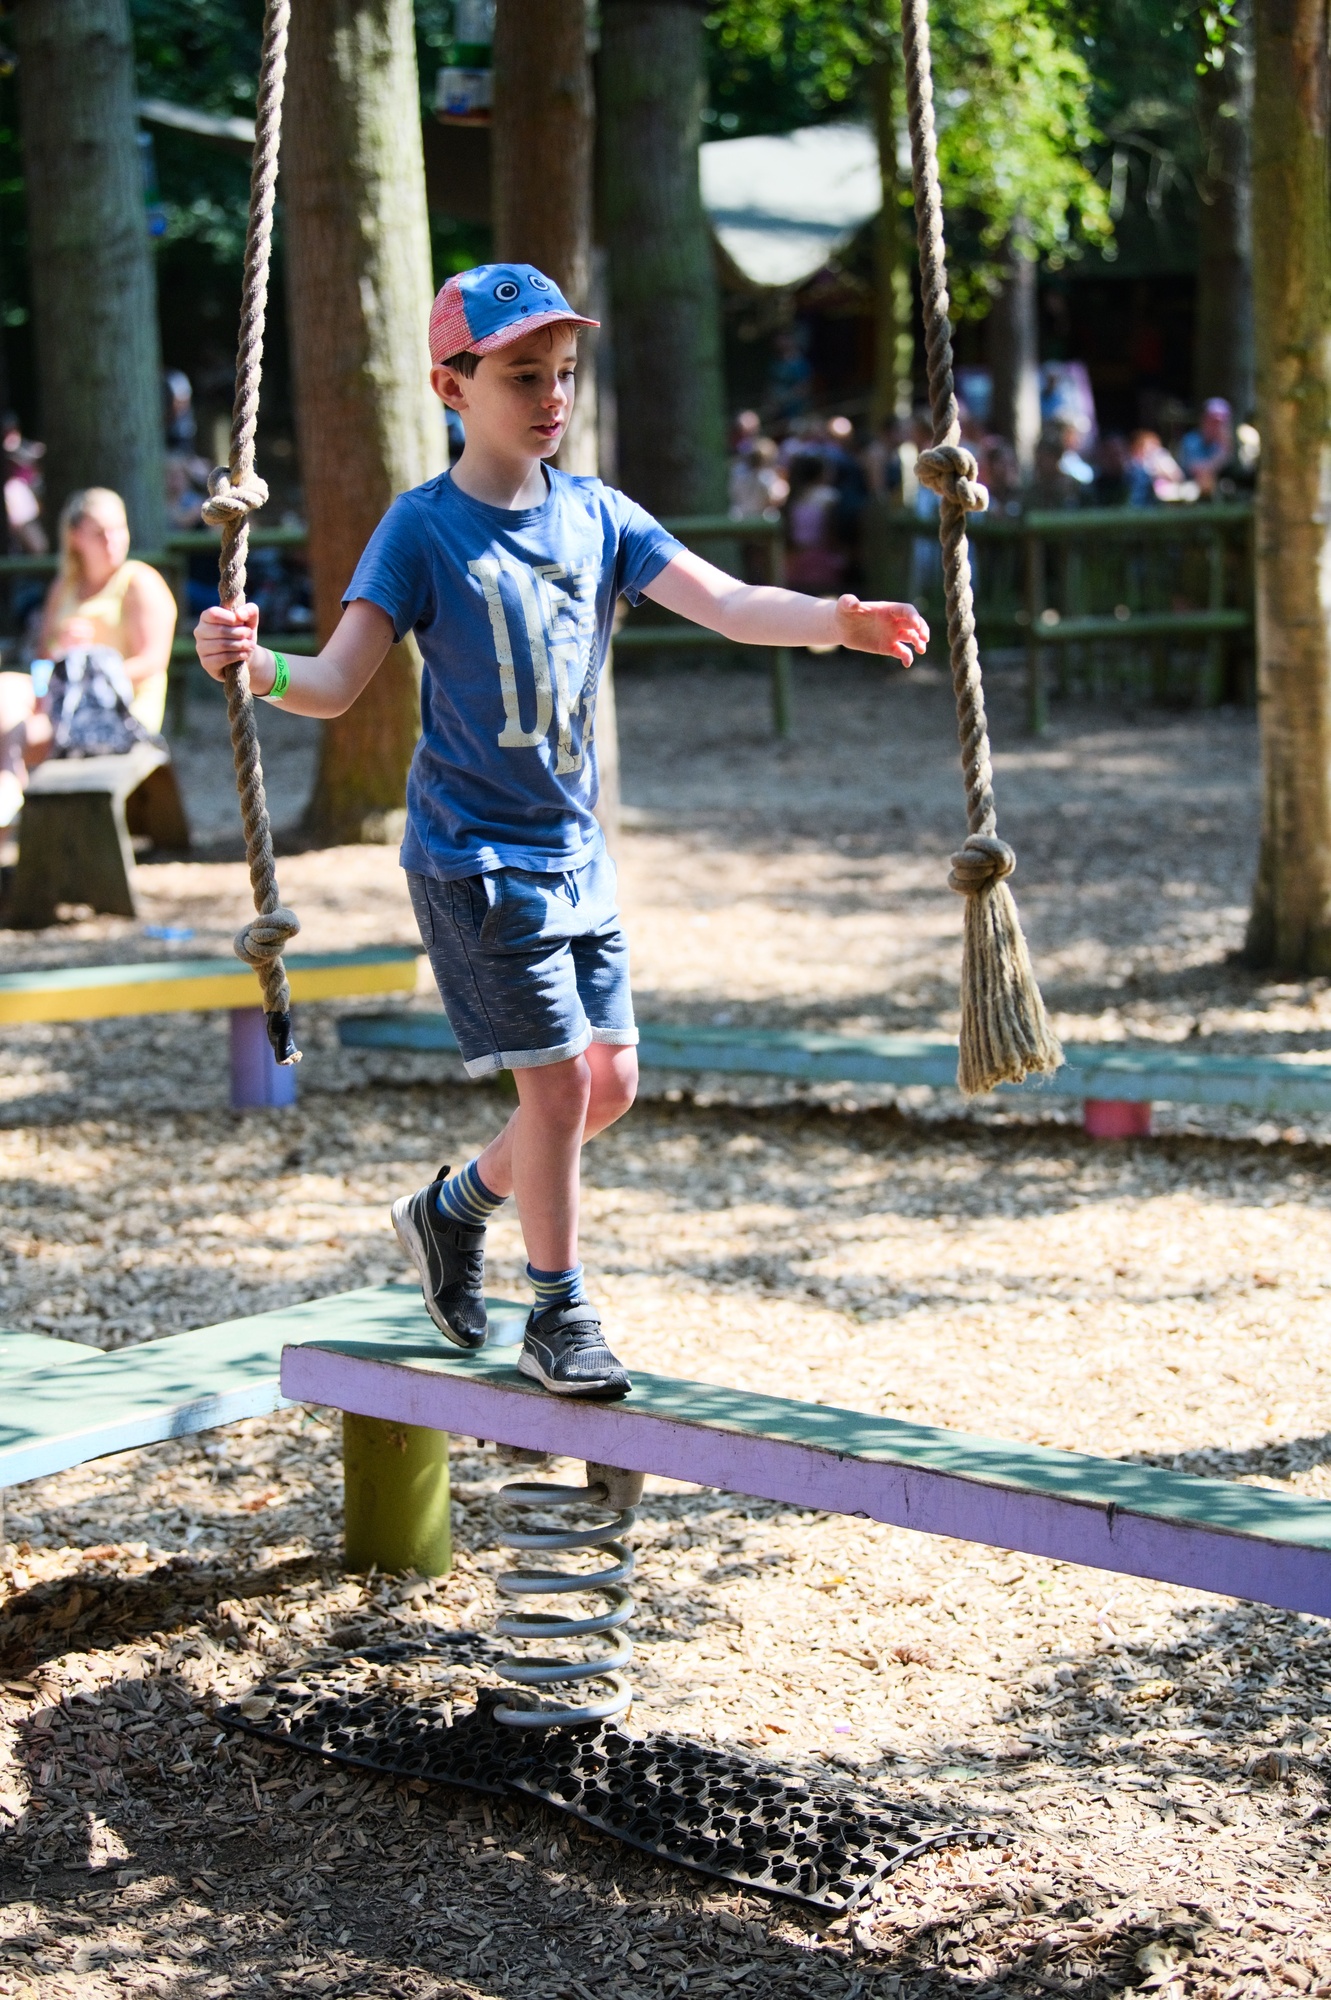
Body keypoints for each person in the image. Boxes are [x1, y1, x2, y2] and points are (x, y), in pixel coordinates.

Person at [193, 262, 929, 1402]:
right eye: (522, 376)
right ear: (453, 387)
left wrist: (837, 620)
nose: (551, 397)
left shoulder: (597, 515)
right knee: (555, 1094)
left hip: (576, 858)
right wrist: (256, 666)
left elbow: (730, 603)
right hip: (475, 860)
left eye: (564, 373)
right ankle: (557, 1313)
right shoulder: (421, 529)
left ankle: (452, 1210)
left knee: (610, 1081)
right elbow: (334, 684)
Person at [0, 488, 177, 830]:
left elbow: (153, 662)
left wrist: (91, 667)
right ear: (75, 537)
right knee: (6, 687)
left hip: (117, 712)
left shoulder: (139, 582)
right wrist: (62, 649)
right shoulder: (65, 586)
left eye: (119, 529)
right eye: (100, 533)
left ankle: (9, 793)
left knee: (11, 736)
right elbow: (44, 660)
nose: (113, 541)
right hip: (64, 702)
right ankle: (10, 791)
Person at [1178, 398, 1234, 498]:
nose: (1218, 426)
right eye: (1214, 421)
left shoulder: (1225, 444)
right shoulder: (1191, 440)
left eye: (1222, 423)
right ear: (1204, 419)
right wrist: (1223, 453)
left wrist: (1226, 447)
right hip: (1188, 493)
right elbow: (1197, 470)